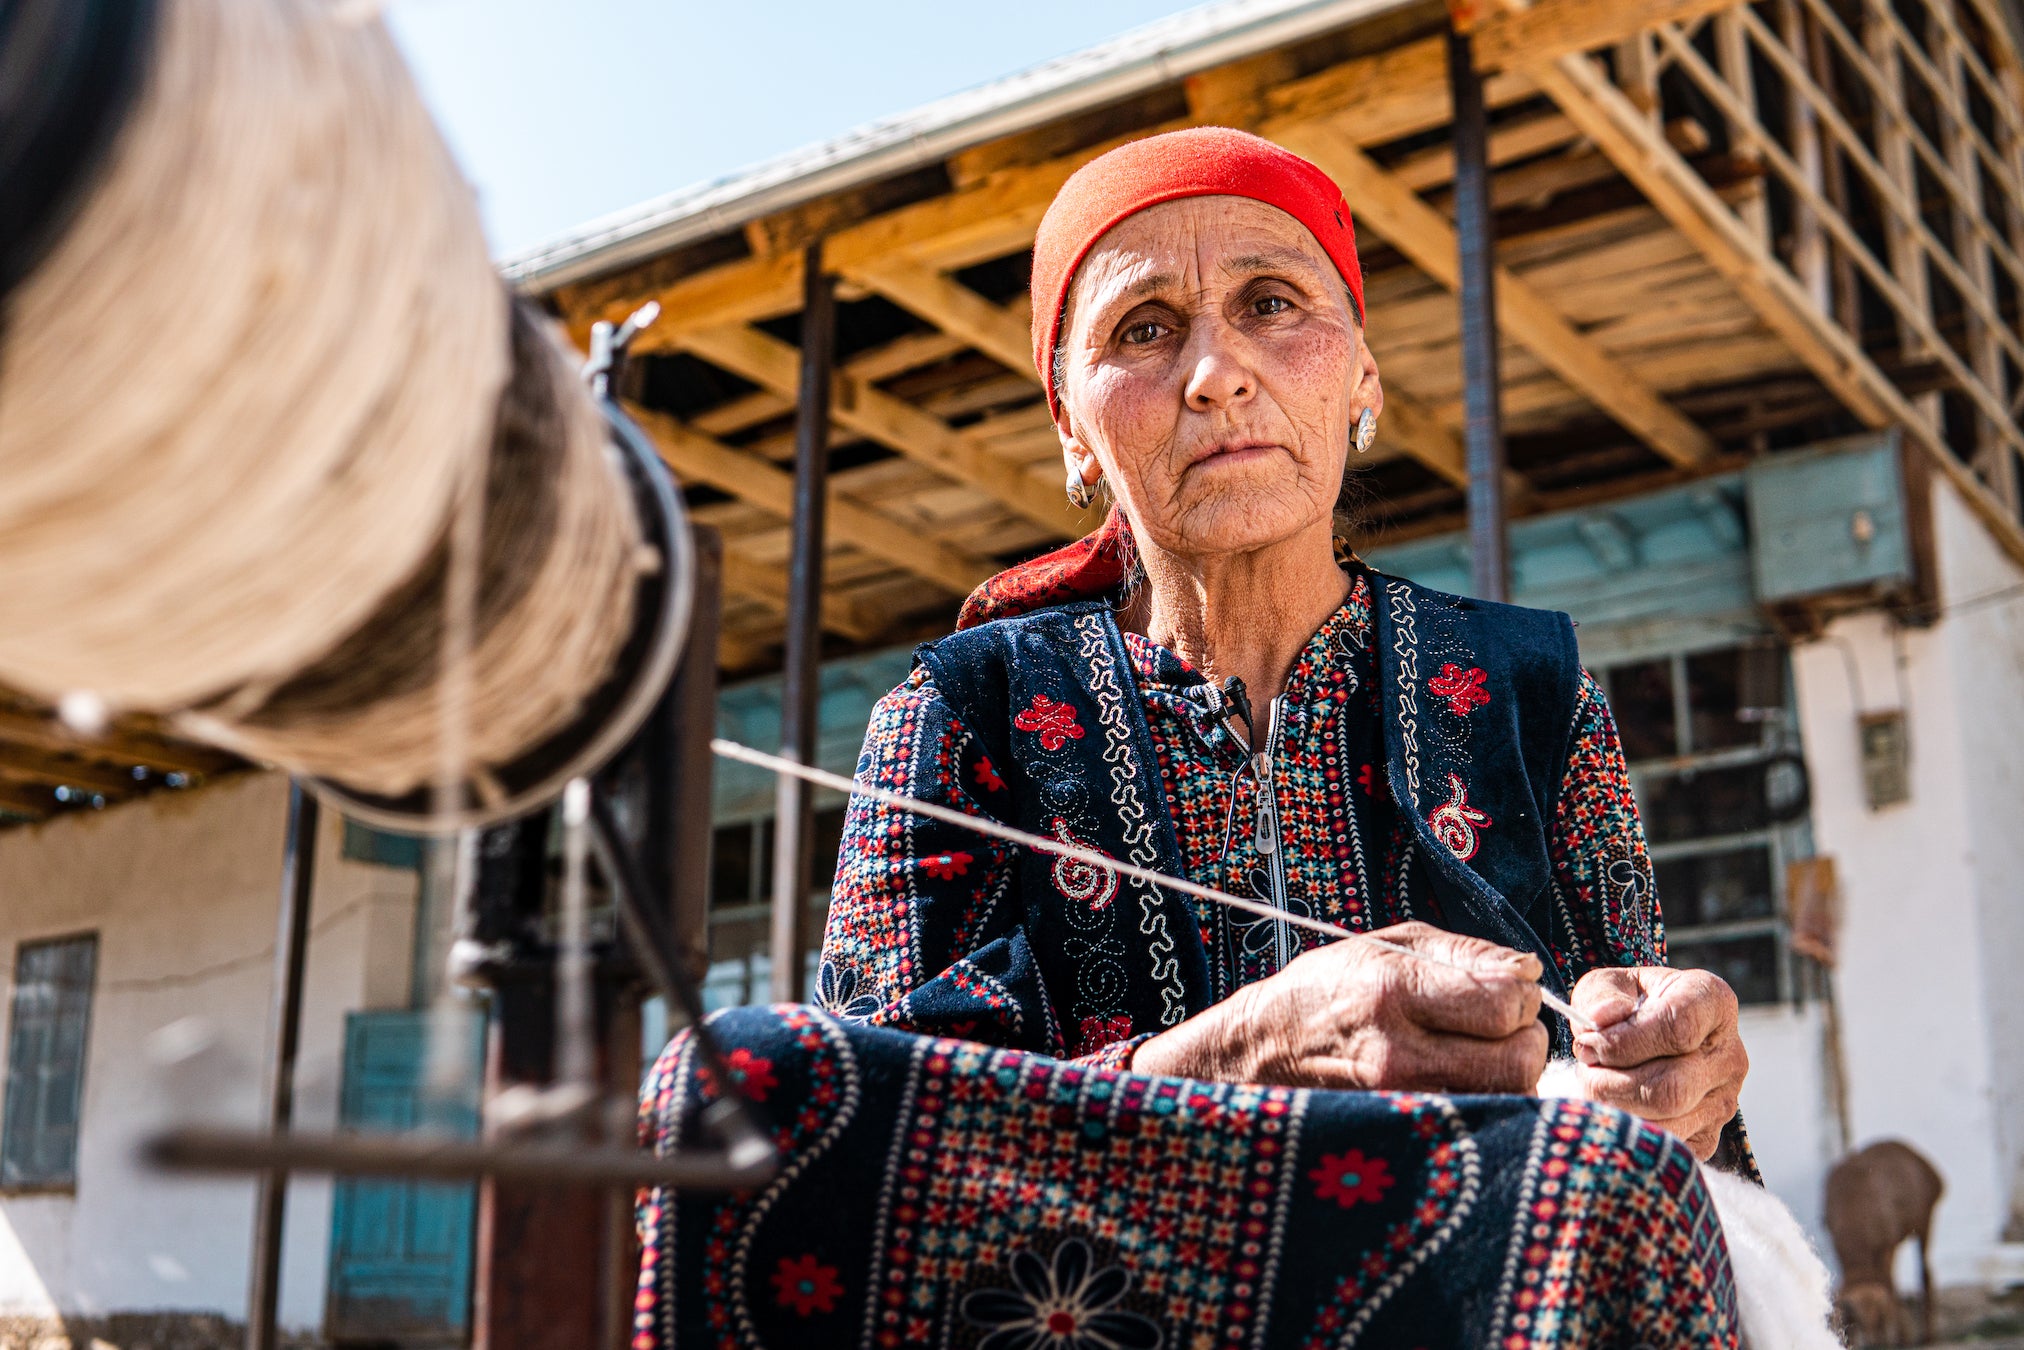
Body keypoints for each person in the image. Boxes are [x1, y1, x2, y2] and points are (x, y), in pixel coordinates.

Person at [637, 127, 1752, 1349]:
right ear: (1072, 426)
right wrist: (1242, 1054)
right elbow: (846, 1154)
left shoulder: (1526, 687)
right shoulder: (964, 712)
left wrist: (1671, 1072)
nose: (1218, 371)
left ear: (1361, 378)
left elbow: (1669, 1113)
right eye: (1145, 328)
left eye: (1272, 303)